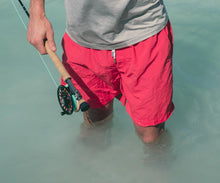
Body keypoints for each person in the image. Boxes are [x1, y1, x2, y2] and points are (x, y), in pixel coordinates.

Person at [27, 0, 174, 144]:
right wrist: (36, 12)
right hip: (82, 38)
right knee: (95, 118)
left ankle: (158, 164)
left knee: (150, 133)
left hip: (144, 35)